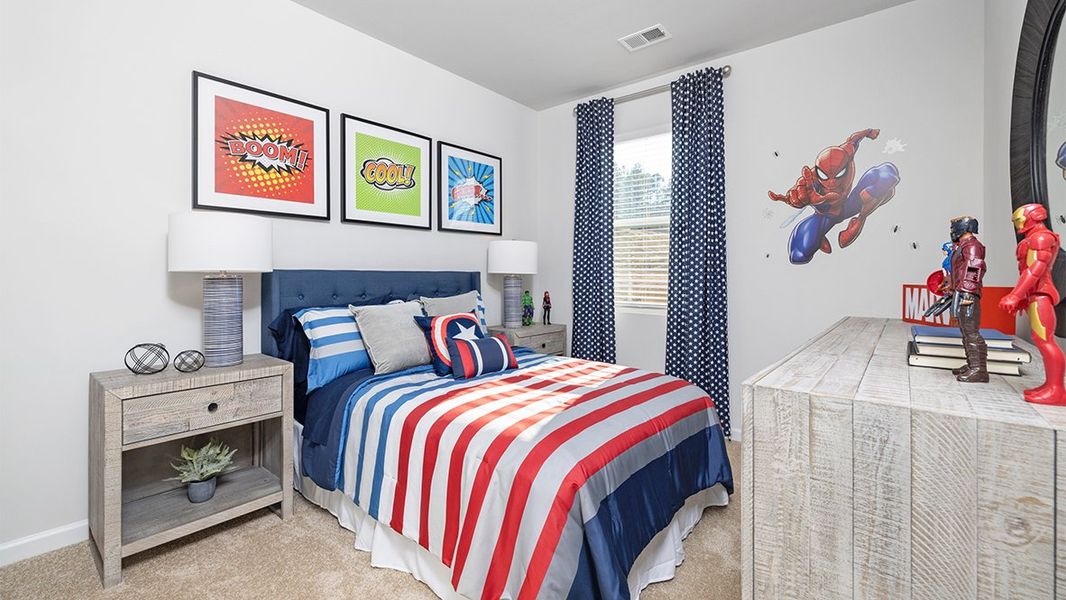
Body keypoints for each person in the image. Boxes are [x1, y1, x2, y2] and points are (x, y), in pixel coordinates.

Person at [999, 203, 1066, 404]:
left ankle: (1056, 389)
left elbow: (1035, 270)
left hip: (1041, 294)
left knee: (1045, 341)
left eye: (1020, 219)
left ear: (1034, 216)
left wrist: (1015, 295)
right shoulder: (1034, 238)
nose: (1019, 224)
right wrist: (1021, 297)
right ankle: (1051, 385)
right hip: (1034, 295)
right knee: (1042, 340)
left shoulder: (1041, 238)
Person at [947, 216, 988, 383]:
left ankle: (979, 369)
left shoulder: (972, 246)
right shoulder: (964, 245)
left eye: (953, 227)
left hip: (967, 294)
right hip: (963, 291)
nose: (952, 231)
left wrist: (967, 292)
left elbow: (974, 267)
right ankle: (972, 364)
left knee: (971, 331)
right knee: (966, 330)